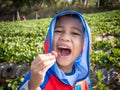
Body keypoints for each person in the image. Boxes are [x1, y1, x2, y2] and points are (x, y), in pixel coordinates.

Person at [18, 10, 92, 90]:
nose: (65, 38)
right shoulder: (39, 75)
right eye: (58, 31)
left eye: (75, 33)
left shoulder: (83, 79)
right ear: (50, 39)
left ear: (83, 45)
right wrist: (33, 85)